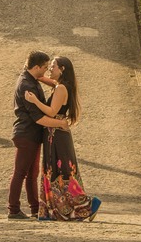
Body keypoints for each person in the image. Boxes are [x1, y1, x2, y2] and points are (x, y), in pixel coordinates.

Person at [23, 55, 101, 221]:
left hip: (56, 134)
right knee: (55, 170)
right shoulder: (61, 85)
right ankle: (52, 209)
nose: (50, 69)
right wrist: (32, 73)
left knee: (60, 171)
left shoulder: (61, 89)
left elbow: (51, 112)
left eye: (53, 66)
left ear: (63, 69)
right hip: (55, 133)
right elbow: (47, 80)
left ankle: (86, 205)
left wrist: (35, 100)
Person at [8, 51, 69, 220]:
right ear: (36, 67)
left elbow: (55, 83)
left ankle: (35, 208)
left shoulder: (31, 78)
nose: (46, 70)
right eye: (44, 67)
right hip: (26, 134)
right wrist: (61, 123)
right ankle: (13, 209)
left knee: (31, 173)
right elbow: (38, 117)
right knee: (20, 172)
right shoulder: (27, 85)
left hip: (31, 136)